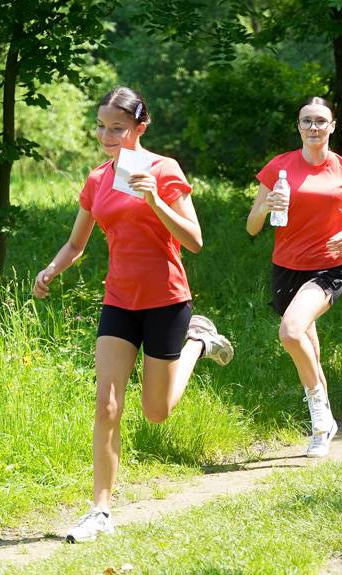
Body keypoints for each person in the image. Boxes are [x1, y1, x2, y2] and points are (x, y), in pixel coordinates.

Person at [33, 87, 233, 542]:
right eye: (101, 126)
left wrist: (155, 201)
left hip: (166, 300)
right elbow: (76, 243)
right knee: (106, 406)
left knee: (156, 412)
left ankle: (198, 342)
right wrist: (51, 269)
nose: (107, 135)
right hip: (119, 302)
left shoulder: (164, 170)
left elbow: (195, 241)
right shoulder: (97, 178)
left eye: (117, 128)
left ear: (140, 127)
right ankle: (100, 511)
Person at [246, 96, 342, 458]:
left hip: (327, 267)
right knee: (309, 349)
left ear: (332, 125)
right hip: (285, 267)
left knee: (290, 331)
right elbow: (252, 226)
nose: (314, 128)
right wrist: (264, 207)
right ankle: (326, 424)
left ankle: (319, 418)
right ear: (298, 126)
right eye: (307, 122)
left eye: (321, 121)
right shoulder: (278, 168)